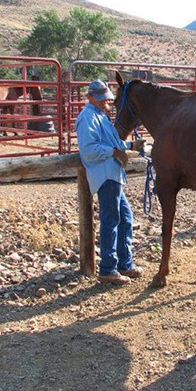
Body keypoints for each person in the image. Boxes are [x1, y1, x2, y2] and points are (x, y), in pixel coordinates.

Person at [76, 79, 146, 285]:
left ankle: (124, 263)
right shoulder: (88, 118)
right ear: (90, 98)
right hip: (105, 174)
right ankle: (108, 268)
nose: (105, 102)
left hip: (112, 175)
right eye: (101, 99)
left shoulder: (100, 117)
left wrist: (130, 144)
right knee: (111, 220)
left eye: (106, 98)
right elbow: (89, 151)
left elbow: (113, 143)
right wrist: (113, 151)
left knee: (125, 217)